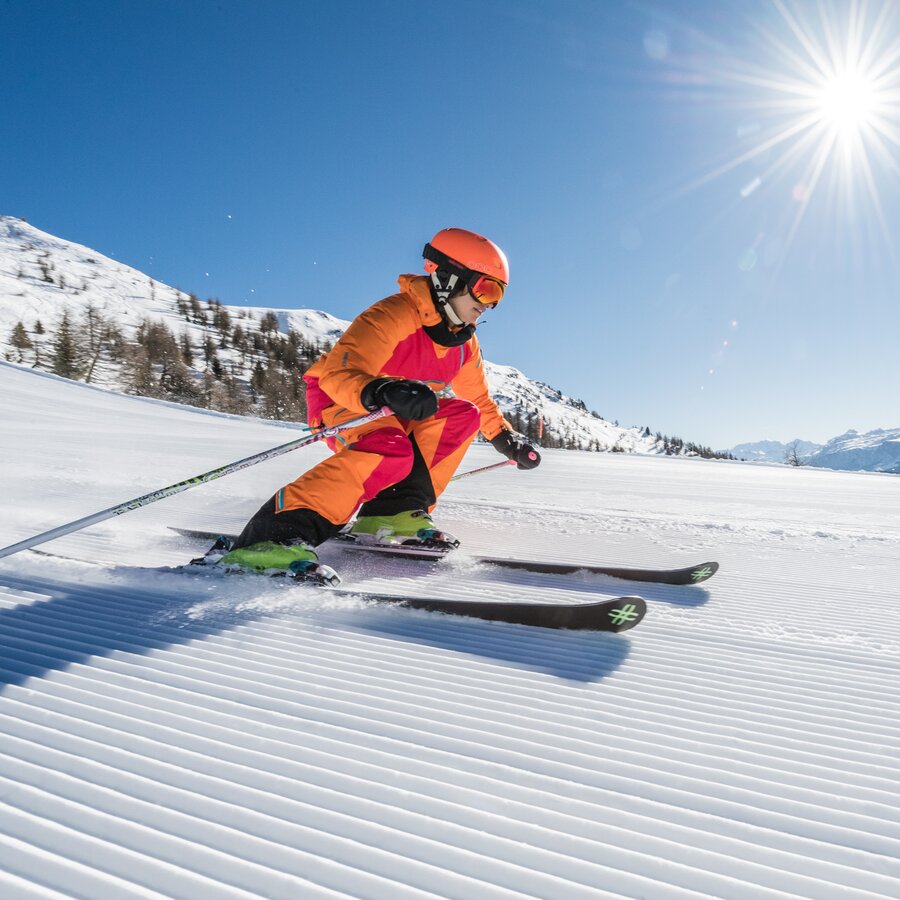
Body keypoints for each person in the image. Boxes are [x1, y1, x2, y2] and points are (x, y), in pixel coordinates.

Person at [218, 227, 541, 583]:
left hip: (396, 409)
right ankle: (269, 539)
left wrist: (505, 438)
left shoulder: (463, 345)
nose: (489, 302)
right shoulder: (393, 315)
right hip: (342, 398)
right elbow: (339, 374)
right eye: (485, 288)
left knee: (462, 415)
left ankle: (393, 512)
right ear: (450, 278)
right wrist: (381, 389)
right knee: (388, 447)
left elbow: (477, 398)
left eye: (498, 295)